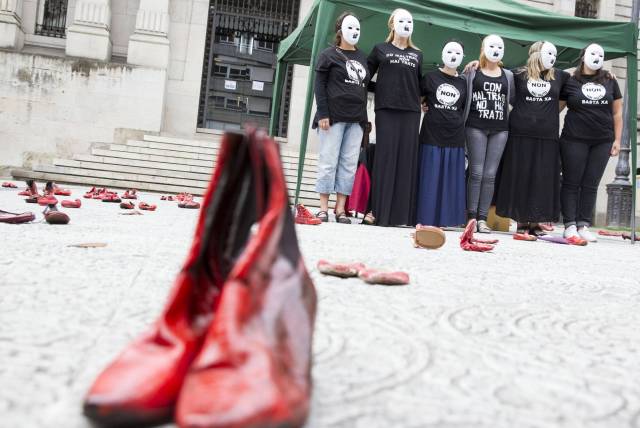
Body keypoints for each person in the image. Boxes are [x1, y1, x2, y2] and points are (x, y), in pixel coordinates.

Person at [495, 41, 569, 235]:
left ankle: (536, 221)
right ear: (536, 54)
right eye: (548, 54)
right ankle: (521, 221)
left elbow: (571, 92)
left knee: (542, 178)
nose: (552, 59)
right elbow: (497, 76)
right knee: (521, 176)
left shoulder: (560, 76)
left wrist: (607, 75)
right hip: (520, 134)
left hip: (548, 135)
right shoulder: (518, 75)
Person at [559, 43, 622, 242]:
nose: (596, 57)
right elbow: (556, 109)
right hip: (573, 139)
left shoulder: (610, 80)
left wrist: (617, 140)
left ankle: (583, 224)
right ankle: (569, 224)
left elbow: (617, 112)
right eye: (592, 53)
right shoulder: (570, 81)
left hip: (602, 140)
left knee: (591, 183)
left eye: (600, 54)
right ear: (583, 56)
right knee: (571, 182)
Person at [367, 8, 422, 227]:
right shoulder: (380, 49)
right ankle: (378, 212)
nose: (406, 24)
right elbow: (365, 77)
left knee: (406, 160)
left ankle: (402, 216)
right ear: (392, 24)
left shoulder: (417, 54)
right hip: (386, 109)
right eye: (402, 20)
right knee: (386, 159)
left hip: (410, 112)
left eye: (410, 21)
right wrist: (380, 89)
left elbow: (419, 84)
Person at [313, 12, 369, 224]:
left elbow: (366, 84)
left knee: (348, 163)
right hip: (333, 117)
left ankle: (341, 209)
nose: (354, 32)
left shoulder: (363, 57)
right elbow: (319, 86)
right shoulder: (328, 55)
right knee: (328, 161)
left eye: (357, 28)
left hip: (356, 119)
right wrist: (323, 113)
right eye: (350, 27)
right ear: (340, 30)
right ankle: (323, 208)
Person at [463, 34, 515, 233]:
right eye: (491, 46)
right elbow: (459, 90)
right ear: (484, 48)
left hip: (500, 129)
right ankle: (471, 217)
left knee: (490, 175)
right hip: (475, 126)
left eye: (499, 46)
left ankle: (483, 218)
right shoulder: (472, 71)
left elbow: (513, 99)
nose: (495, 49)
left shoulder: (508, 76)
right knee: (476, 172)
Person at [415, 40, 467, 227]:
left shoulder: (464, 82)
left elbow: (464, 107)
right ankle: (425, 218)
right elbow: (418, 100)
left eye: (458, 52)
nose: (453, 55)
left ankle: (447, 220)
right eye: (450, 51)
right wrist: (423, 106)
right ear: (442, 53)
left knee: (449, 182)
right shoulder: (429, 78)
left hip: (454, 137)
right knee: (430, 179)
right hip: (431, 135)